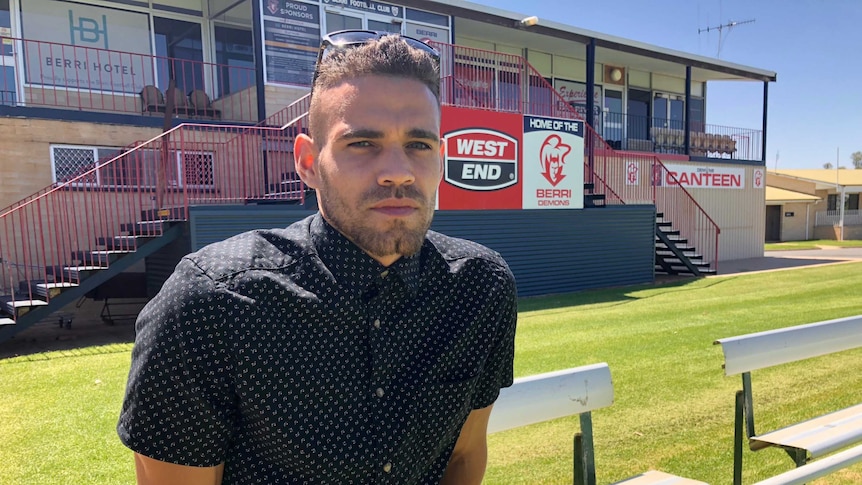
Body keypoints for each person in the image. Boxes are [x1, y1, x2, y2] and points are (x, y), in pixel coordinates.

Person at [118, 30, 517, 485]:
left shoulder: (480, 288)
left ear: (440, 161)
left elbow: (464, 454)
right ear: (308, 162)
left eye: (419, 144)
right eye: (362, 143)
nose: (397, 171)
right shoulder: (210, 304)